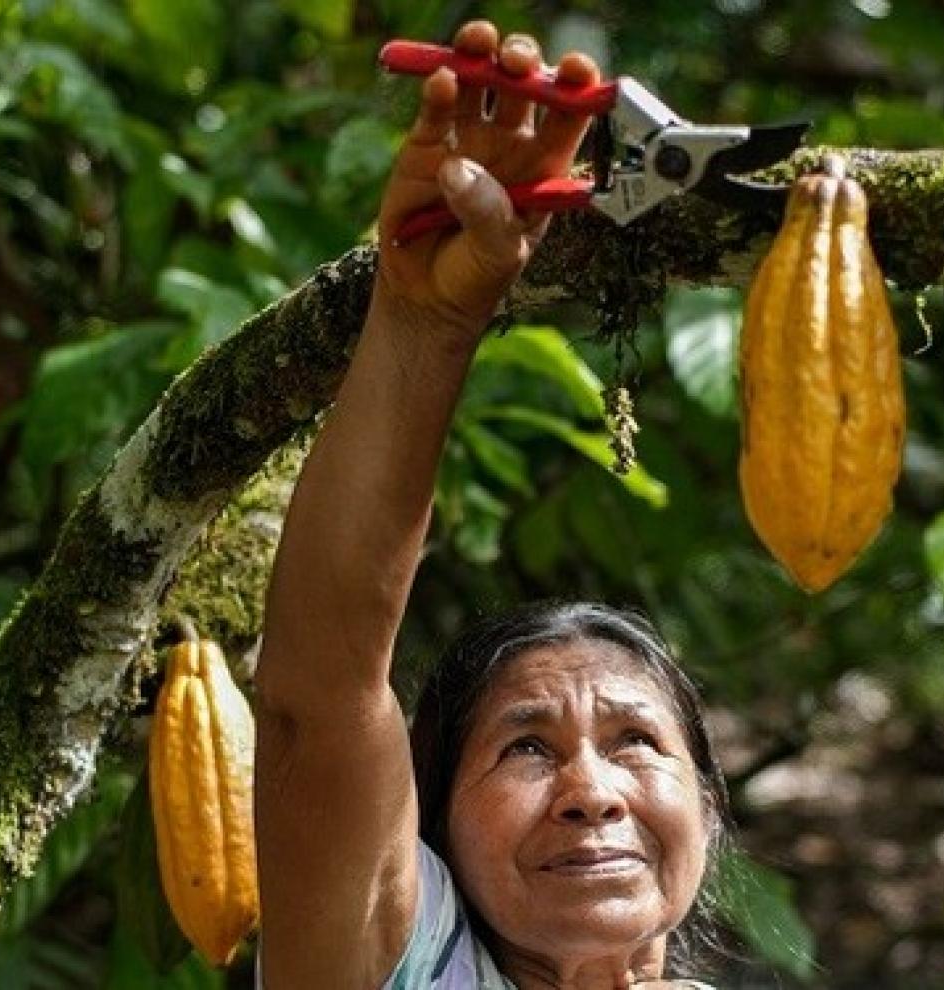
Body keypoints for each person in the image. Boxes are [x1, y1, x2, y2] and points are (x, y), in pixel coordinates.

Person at [254, 20, 732, 989]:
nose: (590, 794)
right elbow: (321, 697)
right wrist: (426, 317)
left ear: (709, 812)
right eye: (525, 747)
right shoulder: (405, 958)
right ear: (428, 826)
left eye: (637, 740)